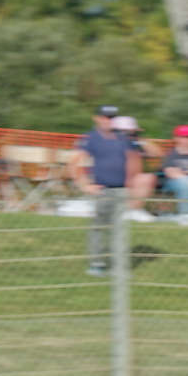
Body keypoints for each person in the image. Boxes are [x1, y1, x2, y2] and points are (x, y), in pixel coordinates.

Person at [75, 106, 138, 273]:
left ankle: (119, 266)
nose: (109, 120)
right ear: (97, 118)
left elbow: (133, 159)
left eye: (112, 117)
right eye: (105, 117)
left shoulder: (123, 138)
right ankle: (96, 263)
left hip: (121, 190)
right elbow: (75, 162)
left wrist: (131, 184)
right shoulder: (91, 138)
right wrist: (85, 185)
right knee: (98, 227)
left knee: (119, 229)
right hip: (102, 190)